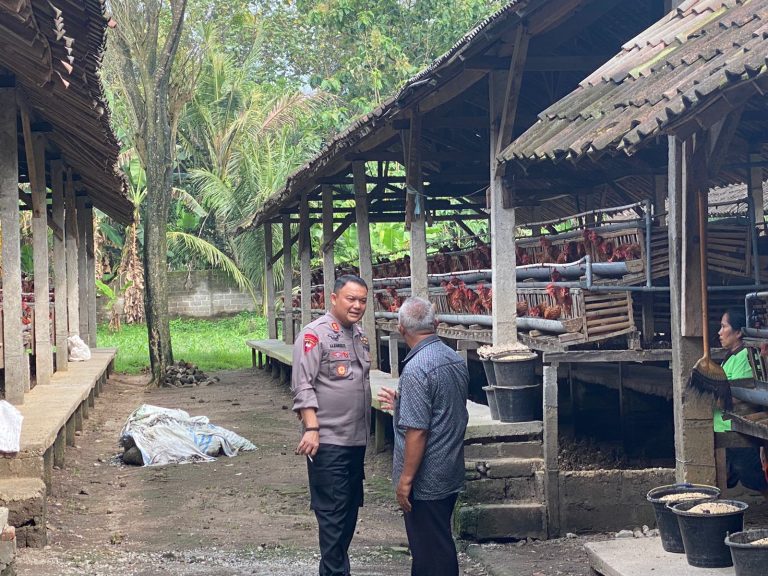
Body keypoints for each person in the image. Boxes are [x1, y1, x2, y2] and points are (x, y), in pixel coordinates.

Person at [377, 297, 468, 576]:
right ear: (436, 324)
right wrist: (402, 403)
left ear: (401, 328)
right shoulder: (453, 358)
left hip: (427, 479)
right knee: (436, 543)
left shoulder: (416, 369)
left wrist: (405, 481)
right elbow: (442, 408)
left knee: (431, 552)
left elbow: (418, 431)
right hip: (450, 468)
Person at [291, 274, 372, 576]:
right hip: (329, 443)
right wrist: (312, 428)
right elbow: (302, 385)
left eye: (362, 300)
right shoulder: (315, 335)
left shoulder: (360, 336)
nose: (357, 305)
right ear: (334, 298)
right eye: (351, 299)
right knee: (333, 517)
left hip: (355, 442)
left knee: (348, 514)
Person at [715, 307, 768, 498]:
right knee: (740, 470)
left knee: (750, 473)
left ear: (738, 332)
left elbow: (740, 394)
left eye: (724, 327)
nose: (720, 332)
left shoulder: (745, 356)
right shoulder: (730, 357)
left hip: (736, 425)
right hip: (723, 425)